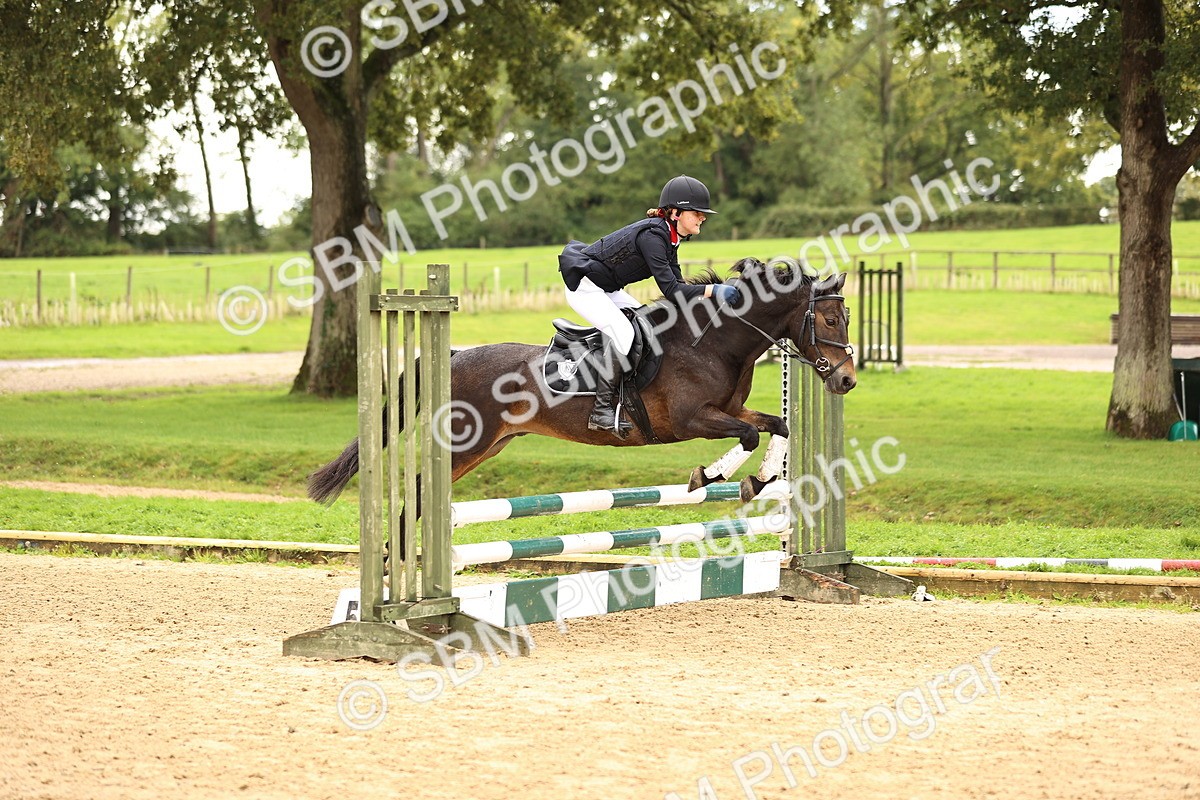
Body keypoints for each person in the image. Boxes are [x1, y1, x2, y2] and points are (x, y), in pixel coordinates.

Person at [557, 175, 742, 439]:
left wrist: (709, 303)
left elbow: (678, 289)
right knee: (624, 333)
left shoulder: (669, 237)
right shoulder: (653, 237)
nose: (703, 218)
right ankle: (600, 411)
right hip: (585, 288)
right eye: (697, 213)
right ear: (676, 213)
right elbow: (672, 291)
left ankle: (632, 394)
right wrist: (714, 290)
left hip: (608, 289)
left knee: (649, 325)